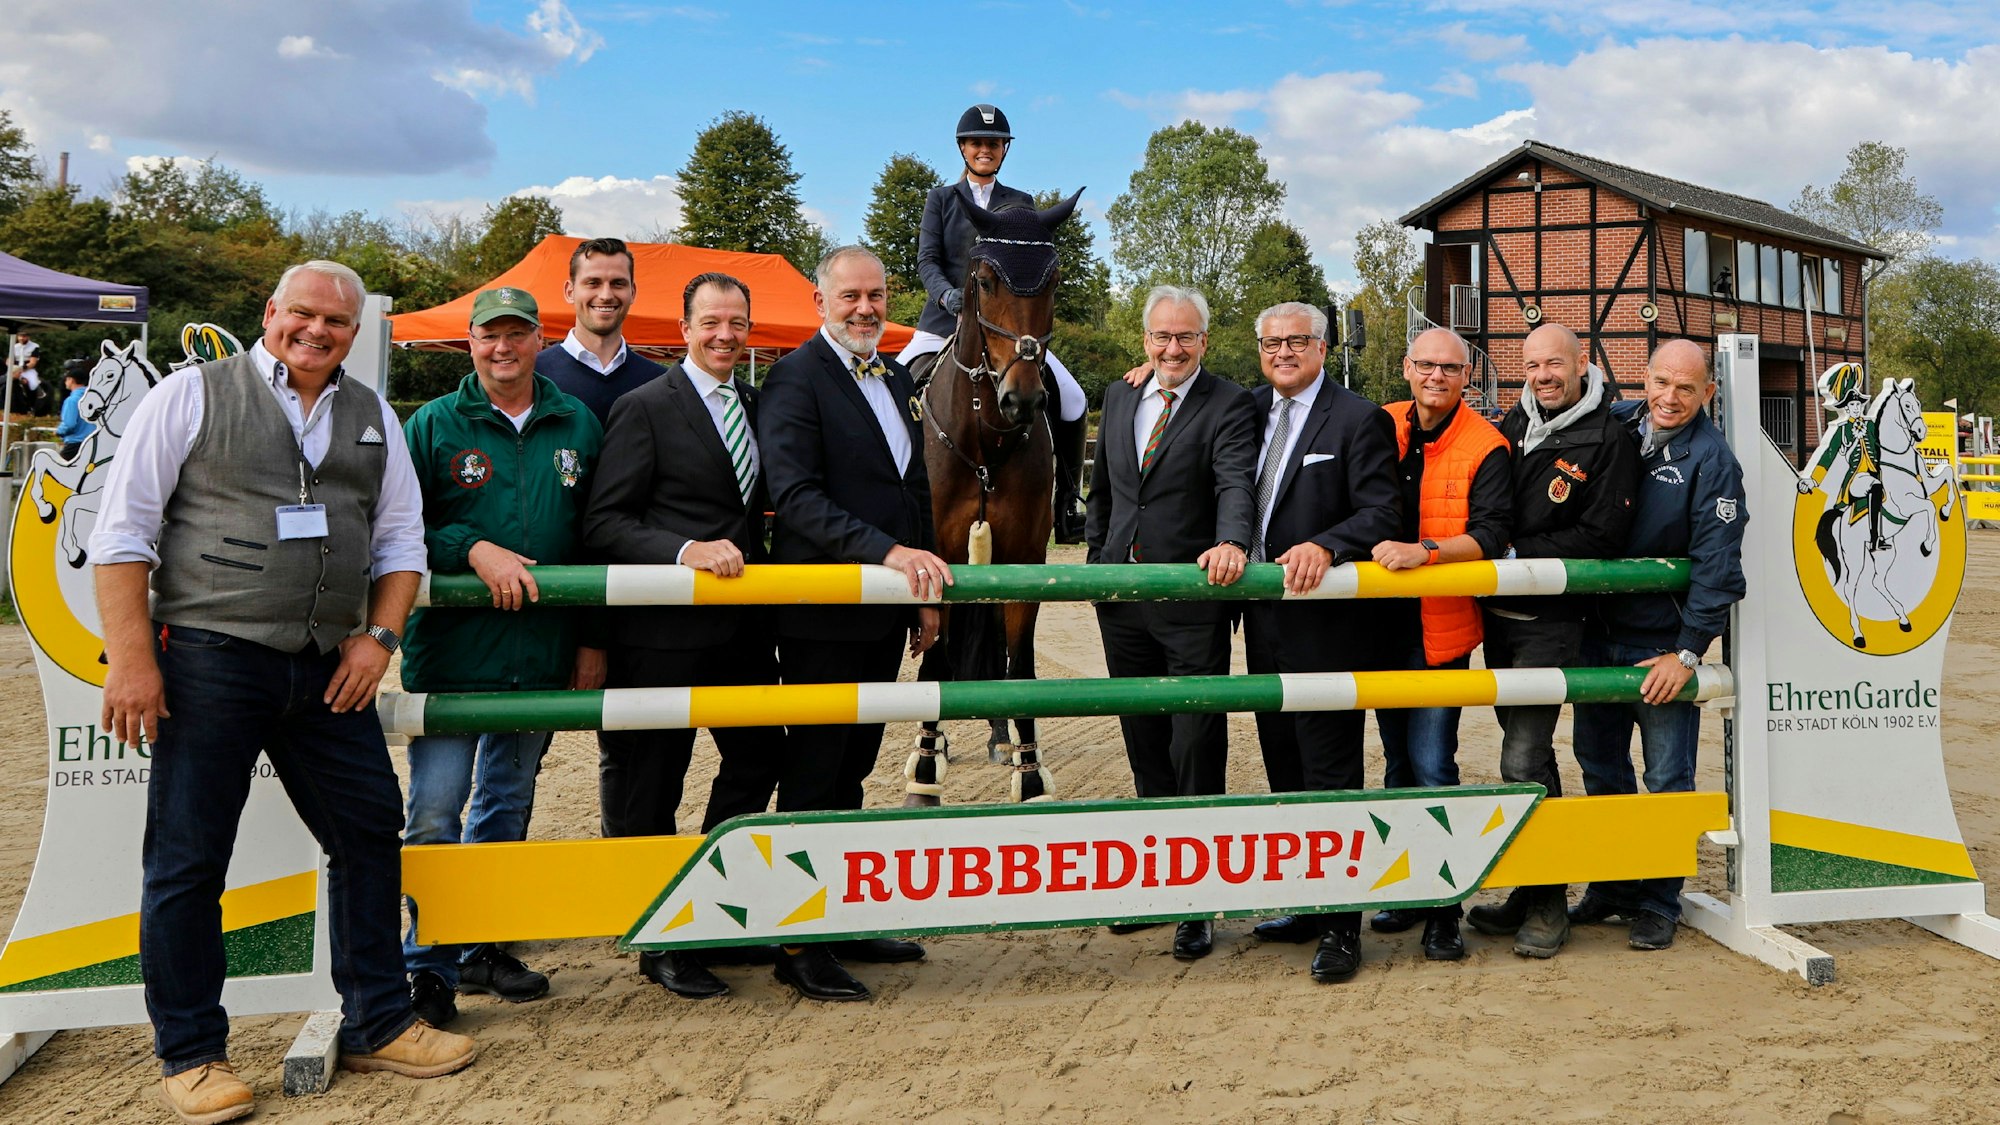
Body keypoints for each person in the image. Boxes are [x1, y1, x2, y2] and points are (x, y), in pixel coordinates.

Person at [91, 260, 475, 1123]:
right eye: (304, 314)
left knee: (370, 828)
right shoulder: (191, 396)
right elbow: (122, 537)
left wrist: (380, 639)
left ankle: (380, 1019)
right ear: (270, 312)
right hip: (208, 658)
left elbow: (402, 540)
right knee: (189, 857)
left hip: (325, 662)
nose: (319, 331)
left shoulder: (374, 415)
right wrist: (133, 660)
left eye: (336, 322)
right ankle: (190, 1053)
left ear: (352, 332)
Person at [397, 287, 604, 1028]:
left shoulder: (576, 419)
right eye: (490, 336)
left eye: (518, 334)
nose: (503, 348)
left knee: (505, 805)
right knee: (433, 810)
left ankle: (483, 945)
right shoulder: (432, 424)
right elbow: (398, 528)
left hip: (538, 656)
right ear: (470, 341)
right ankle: (425, 964)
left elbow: (594, 535)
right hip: (453, 657)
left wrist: (589, 638)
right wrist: (471, 547)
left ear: (540, 338)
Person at [583, 272, 786, 1000]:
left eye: (738, 322)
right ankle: (659, 937)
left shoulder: (758, 405)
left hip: (741, 631)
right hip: (662, 633)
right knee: (653, 783)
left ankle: (707, 898)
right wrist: (682, 550)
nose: (725, 335)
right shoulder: (645, 407)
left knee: (762, 753)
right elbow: (606, 521)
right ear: (685, 325)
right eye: (712, 322)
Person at [758, 246, 950, 1002]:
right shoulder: (795, 377)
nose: (867, 308)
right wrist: (892, 554)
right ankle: (796, 939)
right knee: (813, 773)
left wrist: (923, 584)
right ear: (820, 300)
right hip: (821, 612)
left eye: (877, 294)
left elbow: (914, 486)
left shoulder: (897, 371)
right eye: (852, 297)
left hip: (882, 613)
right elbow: (796, 496)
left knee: (855, 769)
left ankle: (841, 913)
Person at [1229, 303, 1402, 982]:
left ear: (1323, 348)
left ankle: (1342, 927)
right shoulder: (1246, 408)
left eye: (1296, 341)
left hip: (1325, 623)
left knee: (1331, 770)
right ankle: (1306, 904)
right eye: (1270, 342)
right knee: (1283, 767)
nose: (1282, 352)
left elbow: (1382, 510)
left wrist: (1327, 545)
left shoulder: (1359, 418)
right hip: (1264, 621)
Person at [1085, 285, 1257, 963]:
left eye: (1185, 337)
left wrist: (1234, 541)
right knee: (1144, 737)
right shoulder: (1122, 393)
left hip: (1192, 599)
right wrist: (1099, 560)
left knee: (1194, 740)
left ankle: (1199, 894)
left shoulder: (1229, 402)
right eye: (1161, 336)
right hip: (1121, 597)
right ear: (1145, 339)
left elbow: (1234, 481)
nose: (1172, 348)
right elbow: (1103, 488)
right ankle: (1155, 881)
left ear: (1204, 342)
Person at [1466, 323, 1638, 958]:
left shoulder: (1608, 437)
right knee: (1526, 759)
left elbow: (1602, 539)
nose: (1543, 375)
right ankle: (1536, 884)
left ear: (1582, 365)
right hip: (1498, 618)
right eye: (1533, 364)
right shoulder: (1510, 424)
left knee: (1522, 759)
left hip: (1553, 621)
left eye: (1555, 364)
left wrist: (1514, 554)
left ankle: (1547, 906)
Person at [1570, 338, 1746, 952]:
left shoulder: (1714, 461)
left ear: (1708, 394)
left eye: (1686, 388)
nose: (1670, 398)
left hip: (1659, 648)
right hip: (1593, 635)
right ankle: (1614, 883)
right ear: (1643, 379)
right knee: (1598, 766)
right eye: (1661, 383)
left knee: (1667, 774)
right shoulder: (1612, 421)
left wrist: (1688, 650)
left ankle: (1659, 898)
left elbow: (1720, 567)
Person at [1363, 327, 1511, 962]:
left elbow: (1492, 533)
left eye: (1450, 368)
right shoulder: (1379, 423)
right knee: (1396, 765)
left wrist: (1423, 552)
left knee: (1432, 764)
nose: (1437, 377)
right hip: (1378, 626)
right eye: (1426, 364)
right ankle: (1409, 887)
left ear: (1465, 376)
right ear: (1406, 367)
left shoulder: (1487, 444)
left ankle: (1444, 907)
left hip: (1439, 631)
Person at [902, 104, 1091, 542]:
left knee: (1075, 397)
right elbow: (928, 260)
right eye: (976, 142)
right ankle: (899, 494)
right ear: (963, 148)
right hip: (942, 324)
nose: (984, 149)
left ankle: (1065, 503)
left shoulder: (1020, 205)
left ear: (1003, 150)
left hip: (1008, 330)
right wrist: (948, 296)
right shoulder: (941, 200)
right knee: (897, 389)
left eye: (992, 143)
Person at [537, 237, 667, 426]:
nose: (606, 295)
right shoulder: (535, 376)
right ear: (570, 291)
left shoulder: (658, 382)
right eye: (593, 283)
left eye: (618, 284)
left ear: (633, 292)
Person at [56, 367, 94, 460]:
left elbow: (69, 424)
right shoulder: (93, 398)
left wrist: (58, 431)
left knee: (56, 472)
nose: (65, 382)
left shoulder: (72, 400)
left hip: (75, 444)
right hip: (93, 443)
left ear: (71, 380)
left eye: (66, 379)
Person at [9, 329, 45, 414]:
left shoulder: (34, 346)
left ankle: (31, 405)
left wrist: (22, 368)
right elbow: (9, 359)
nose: (21, 338)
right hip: (15, 368)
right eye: (20, 336)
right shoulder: (14, 346)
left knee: (32, 384)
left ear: (28, 337)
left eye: (24, 336)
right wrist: (10, 366)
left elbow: (33, 362)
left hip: (27, 369)